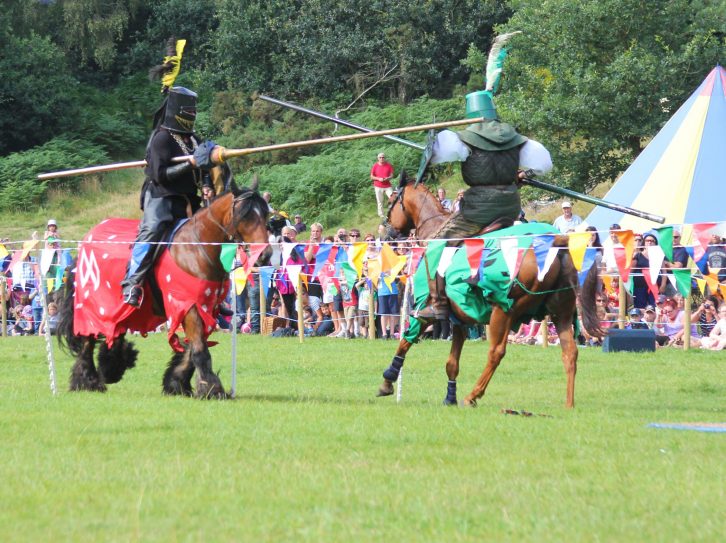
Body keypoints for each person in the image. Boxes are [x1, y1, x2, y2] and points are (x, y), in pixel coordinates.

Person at [411, 90, 553, 321]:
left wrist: (430, 147)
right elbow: (544, 163)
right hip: (510, 206)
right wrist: (521, 174)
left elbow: (436, 156)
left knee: (436, 244)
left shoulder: (461, 139)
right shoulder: (517, 139)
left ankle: (437, 303)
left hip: (478, 210)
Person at [121, 86, 219, 307]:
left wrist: (206, 184)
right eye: (188, 111)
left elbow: (204, 165)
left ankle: (210, 286)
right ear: (178, 111)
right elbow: (160, 175)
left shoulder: (194, 140)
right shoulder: (161, 139)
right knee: (152, 233)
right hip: (161, 198)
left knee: (211, 231)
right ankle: (132, 282)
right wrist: (189, 164)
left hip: (188, 200)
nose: (192, 116)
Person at [371, 152, 394, 218]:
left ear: (385, 158)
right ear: (378, 158)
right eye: (380, 157)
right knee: (380, 201)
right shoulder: (375, 166)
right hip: (378, 186)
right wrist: (378, 179)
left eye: (383, 157)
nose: (382, 158)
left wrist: (388, 178)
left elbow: (392, 175)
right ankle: (381, 214)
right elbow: (372, 176)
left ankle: (392, 212)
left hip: (387, 185)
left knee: (393, 198)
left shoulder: (388, 165)